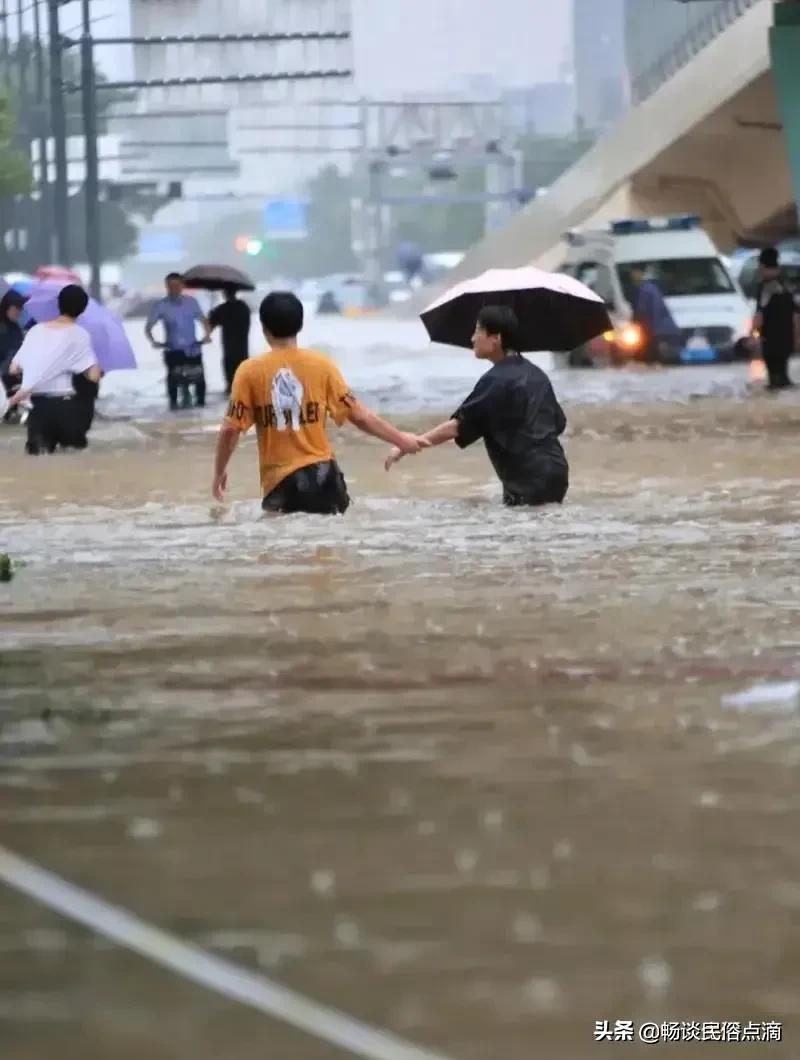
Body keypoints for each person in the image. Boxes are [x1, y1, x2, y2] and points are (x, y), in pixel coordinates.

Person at [212, 291, 428, 512]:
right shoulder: (322, 365)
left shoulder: (249, 372)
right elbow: (359, 415)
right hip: (327, 478)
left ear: (264, 328)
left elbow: (231, 429)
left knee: (282, 544)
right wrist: (402, 440)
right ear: (300, 325)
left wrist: (219, 472)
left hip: (283, 485)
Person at [385, 305, 569, 507]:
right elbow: (558, 422)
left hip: (527, 477)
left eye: (477, 331)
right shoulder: (537, 374)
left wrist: (409, 443)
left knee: (520, 531)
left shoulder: (496, 380)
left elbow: (457, 426)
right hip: (556, 470)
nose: (472, 338)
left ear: (496, 338)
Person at [7, 285, 100, 454]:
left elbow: (14, 368)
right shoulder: (80, 334)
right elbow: (93, 376)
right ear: (83, 309)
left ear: (59, 304)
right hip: (68, 409)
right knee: (73, 464)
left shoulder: (35, 331)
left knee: (39, 463)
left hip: (39, 410)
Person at [145, 272, 211, 410]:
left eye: (177, 285)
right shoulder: (160, 305)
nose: (174, 288)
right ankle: (174, 406)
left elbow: (203, 320)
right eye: (170, 286)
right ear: (166, 287)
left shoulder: (192, 302)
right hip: (173, 349)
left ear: (182, 286)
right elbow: (149, 327)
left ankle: (201, 406)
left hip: (193, 349)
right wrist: (154, 341)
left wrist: (207, 335)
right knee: (173, 382)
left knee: (199, 381)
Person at [753, 247, 798, 390]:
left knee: (774, 382)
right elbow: (796, 313)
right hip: (787, 339)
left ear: (762, 266)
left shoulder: (765, 287)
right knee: (784, 379)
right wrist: (796, 338)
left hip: (770, 341)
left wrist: (755, 337)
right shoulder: (788, 284)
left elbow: (759, 316)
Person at [629, 265, 681, 363]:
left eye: (634, 273)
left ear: (640, 273)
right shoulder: (651, 287)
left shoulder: (646, 289)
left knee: (650, 355)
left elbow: (644, 311)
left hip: (656, 329)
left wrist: (636, 323)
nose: (633, 276)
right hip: (660, 328)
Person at [209, 285, 251, 395]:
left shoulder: (222, 309)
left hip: (229, 348)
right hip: (243, 348)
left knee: (230, 381)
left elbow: (211, 324)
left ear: (224, 294)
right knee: (243, 378)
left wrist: (211, 312)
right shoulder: (244, 307)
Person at [0, 290, 27, 424]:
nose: (19, 311)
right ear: (7, 307)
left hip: (13, 370)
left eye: (20, 308)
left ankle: (11, 410)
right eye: (16, 308)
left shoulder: (16, 328)